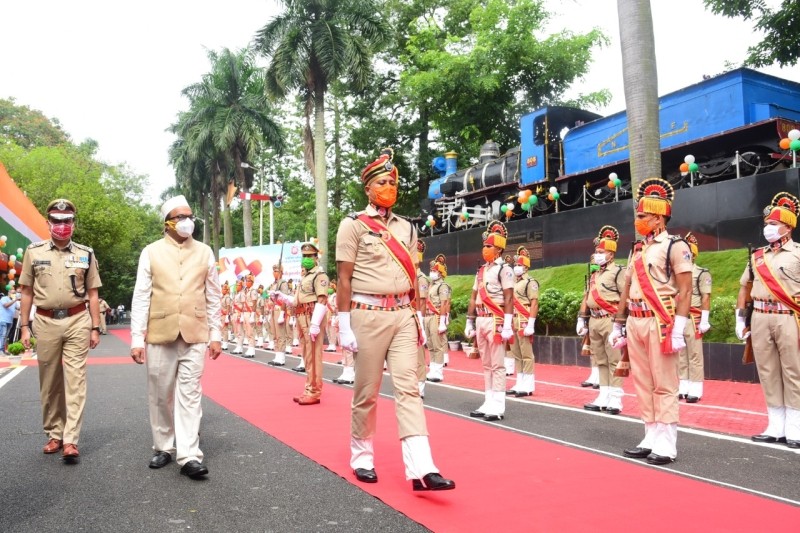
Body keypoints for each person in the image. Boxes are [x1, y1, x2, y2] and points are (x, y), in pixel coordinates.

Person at [336, 148, 455, 491]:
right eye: (383, 182)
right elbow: (343, 278)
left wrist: (417, 315)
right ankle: (362, 456)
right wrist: (344, 324)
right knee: (367, 391)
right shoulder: (353, 225)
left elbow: (414, 274)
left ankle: (422, 467)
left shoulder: (406, 227)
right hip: (367, 314)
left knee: (409, 388)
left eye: (393, 182)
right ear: (369, 188)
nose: (390, 187)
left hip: (402, 313)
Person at [129, 195, 222, 479]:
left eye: (189, 216)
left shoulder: (205, 252)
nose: (187, 221)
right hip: (160, 333)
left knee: (190, 394)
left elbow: (214, 296)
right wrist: (136, 338)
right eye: (180, 217)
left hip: (195, 332)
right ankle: (163, 446)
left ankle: (189, 455)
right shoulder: (151, 252)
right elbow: (142, 296)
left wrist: (216, 333)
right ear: (168, 222)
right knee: (160, 394)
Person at [609, 178, 692, 465]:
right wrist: (618, 323)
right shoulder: (638, 249)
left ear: (658, 217)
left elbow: (686, 289)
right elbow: (627, 287)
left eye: (642, 216)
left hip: (661, 321)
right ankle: (650, 435)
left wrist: (679, 327)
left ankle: (667, 443)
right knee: (643, 382)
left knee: (665, 383)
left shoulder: (675, 246)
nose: (638, 220)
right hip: (636, 320)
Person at [18, 198, 102, 461]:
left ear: (73, 224)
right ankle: (55, 433)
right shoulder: (34, 252)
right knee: (50, 380)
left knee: (75, 379)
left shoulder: (85, 253)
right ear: (48, 223)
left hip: (78, 320)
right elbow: (27, 291)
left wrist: (95, 327)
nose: (61, 226)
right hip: (44, 321)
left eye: (66, 221)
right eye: (56, 221)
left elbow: (93, 292)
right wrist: (24, 327)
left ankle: (70, 439)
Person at [736, 192, 800, 448]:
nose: (768, 228)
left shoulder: (797, 253)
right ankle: (775, 424)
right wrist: (741, 319)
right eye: (766, 224)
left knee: (793, 371)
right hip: (761, 316)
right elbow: (744, 287)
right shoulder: (757, 256)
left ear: (788, 226)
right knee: (767, 371)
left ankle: (795, 426)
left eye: (773, 224)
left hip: (788, 316)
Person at [465, 220, 515, 421]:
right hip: (481, 318)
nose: (484, 249)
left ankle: (498, 405)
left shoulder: (505, 269)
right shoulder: (481, 270)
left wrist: (508, 325)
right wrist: (470, 321)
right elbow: (473, 296)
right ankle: (488, 400)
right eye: (484, 245)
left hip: (496, 320)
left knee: (497, 365)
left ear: (499, 248)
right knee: (486, 365)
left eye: (489, 246)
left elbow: (509, 297)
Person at [578, 226, 626, 414]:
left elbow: (624, 297)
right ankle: (603, 395)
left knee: (614, 360)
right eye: (596, 252)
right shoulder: (595, 273)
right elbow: (588, 296)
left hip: (610, 319)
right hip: (595, 320)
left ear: (611, 254)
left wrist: (621, 324)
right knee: (600, 360)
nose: (596, 254)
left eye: (600, 252)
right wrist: (582, 320)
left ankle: (616, 399)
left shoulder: (618, 272)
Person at [283, 243, 329, 405]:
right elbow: (297, 300)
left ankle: (314, 391)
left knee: (314, 355)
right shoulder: (306, 276)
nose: (306, 259)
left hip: (311, 316)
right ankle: (309, 387)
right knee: (307, 355)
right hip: (302, 315)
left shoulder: (319, 275)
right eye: (304, 256)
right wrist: (282, 298)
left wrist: (315, 323)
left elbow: (322, 299)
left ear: (316, 258)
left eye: (310, 256)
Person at [679, 233, 712, 403]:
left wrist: (705, 319)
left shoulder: (701, 273)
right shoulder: (677, 273)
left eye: (687, 253)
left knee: (694, 354)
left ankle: (696, 389)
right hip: (678, 317)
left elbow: (706, 297)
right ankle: (683, 386)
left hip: (693, 316)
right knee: (681, 354)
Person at [506, 246, 538, 397]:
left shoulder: (530, 282)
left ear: (525, 267)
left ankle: (529, 384)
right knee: (516, 353)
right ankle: (520, 380)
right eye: (515, 265)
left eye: (519, 265)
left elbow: (534, 303)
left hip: (524, 319)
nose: (516, 267)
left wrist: (531, 323)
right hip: (513, 320)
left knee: (526, 354)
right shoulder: (513, 281)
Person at [425, 255, 452, 384]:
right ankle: (433, 368)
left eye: (435, 271)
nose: (432, 272)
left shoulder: (443, 286)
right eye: (432, 271)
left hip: (436, 315)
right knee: (430, 345)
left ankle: (438, 372)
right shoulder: (431, 285)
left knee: (438, 345)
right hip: (427, 316)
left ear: (440, 273)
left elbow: (444, 303)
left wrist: (443, 321)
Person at [267, 263, 292, 365]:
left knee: (280, 333)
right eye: (274, 271)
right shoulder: (274, 284)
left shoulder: (283, 283)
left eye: (276, 271)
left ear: (281, 272)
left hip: (279, 309)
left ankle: (281, 357)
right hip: (273, 309)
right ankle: (277, 355)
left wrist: (282, 312)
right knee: (275, 333)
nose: (274, 273)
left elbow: (285, 299)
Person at [416, 242, 431, 397]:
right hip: (405, 319)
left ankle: (420, 385)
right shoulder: (407, 276)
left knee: (419, 355)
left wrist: (420, 323)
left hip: (416, 319)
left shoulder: (421, 278)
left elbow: (422, 302)